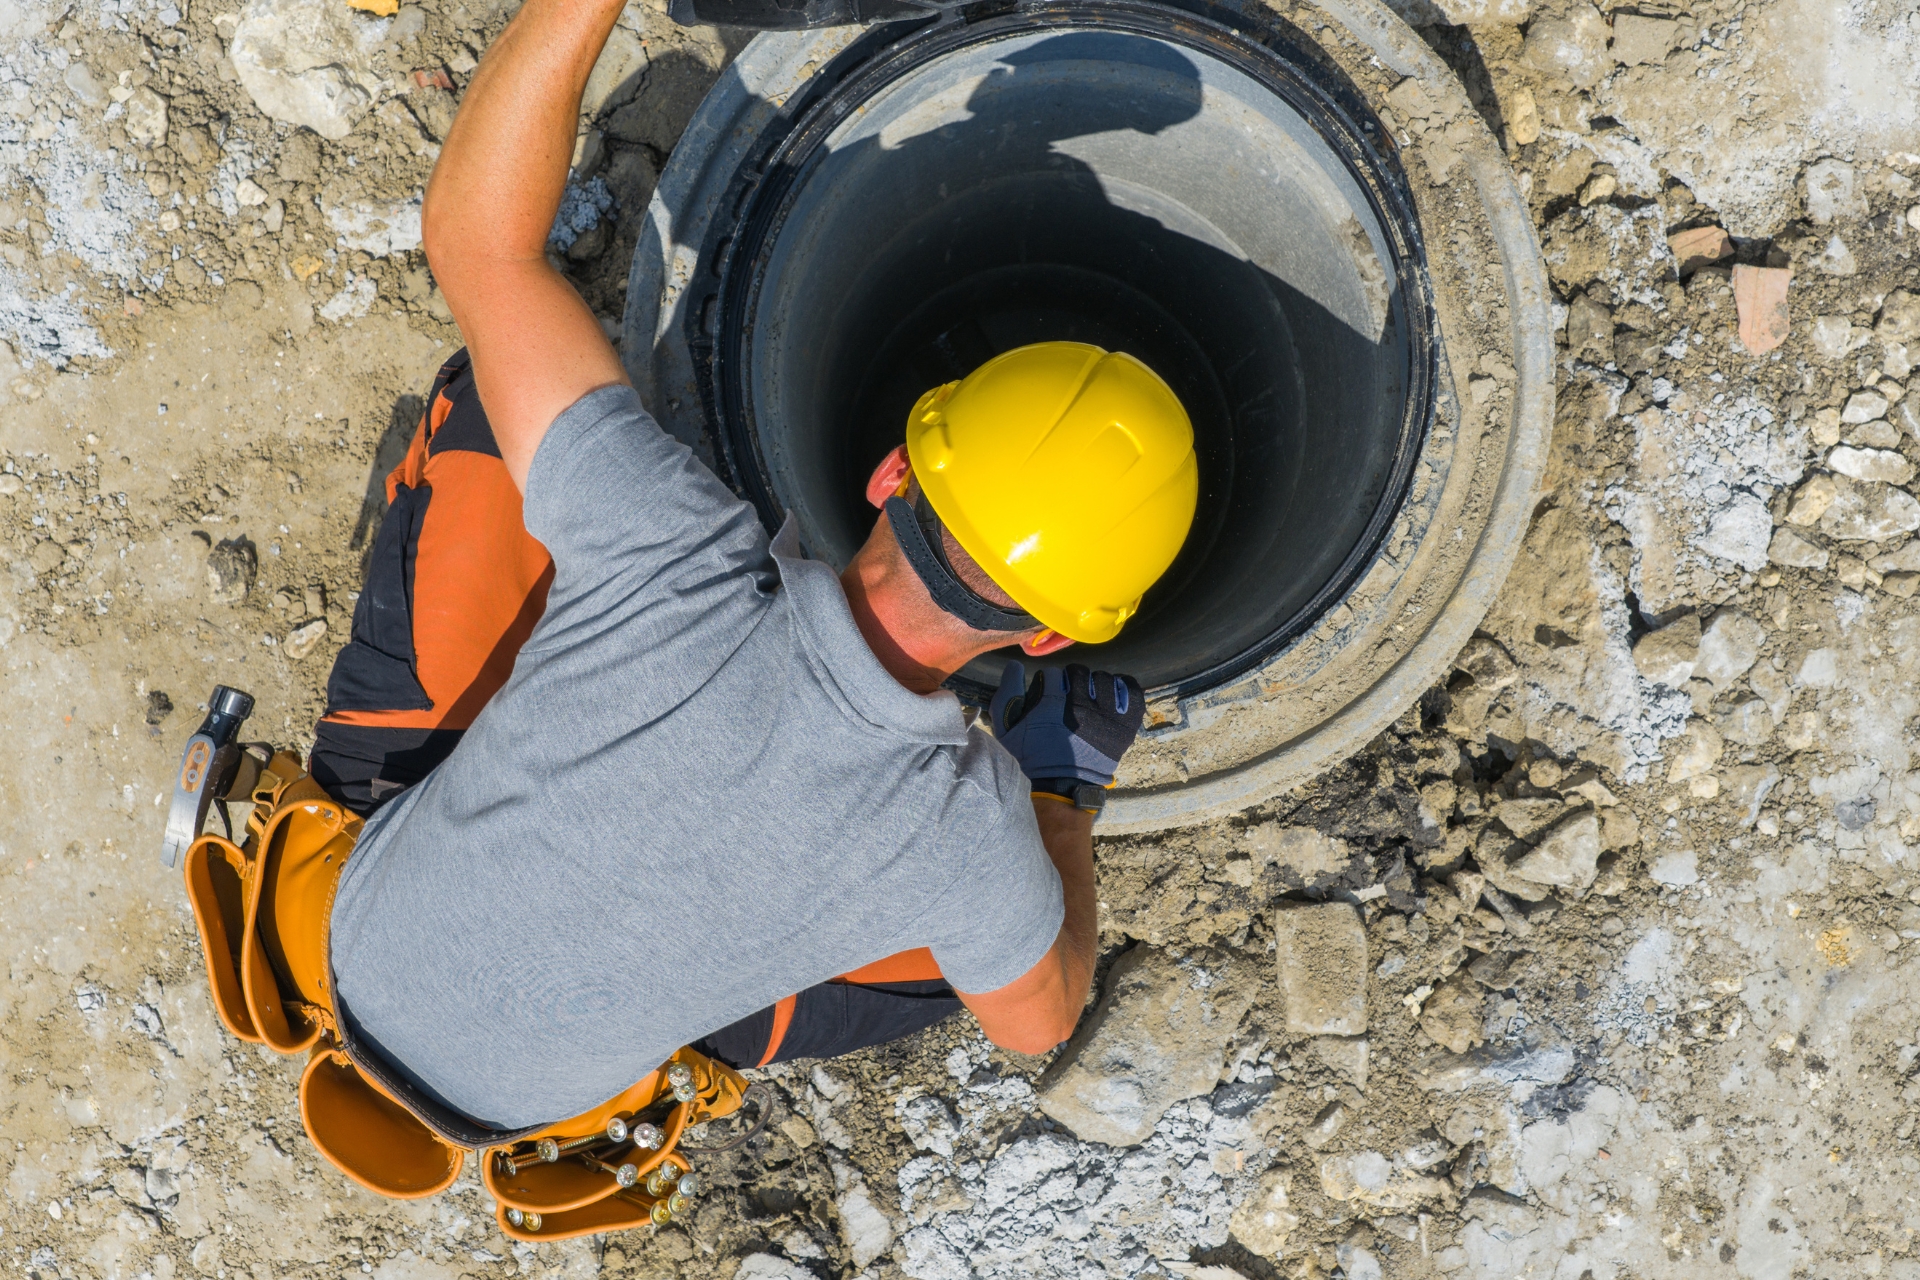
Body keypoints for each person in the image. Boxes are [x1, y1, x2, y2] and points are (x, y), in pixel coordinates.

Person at [304, 0, 1200, 1133]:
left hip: (363, 924)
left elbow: (476, 245)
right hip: (534, 1099)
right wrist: (1059, 796)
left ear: (888, 472)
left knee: (503, 387)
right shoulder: (967, 838)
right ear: (1051, 634)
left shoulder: (667, 549)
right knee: (993, 952)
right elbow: (1040, 1023)